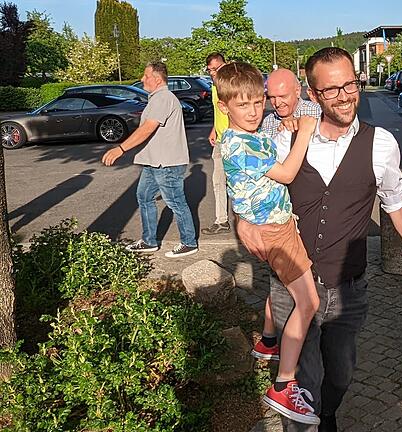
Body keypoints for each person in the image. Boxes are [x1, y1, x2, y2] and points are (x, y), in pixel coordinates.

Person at [236, 47, 402, 432]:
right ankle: (310, 419)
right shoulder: (288, 141)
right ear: (314, 95)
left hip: (348, 288)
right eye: (332, 90)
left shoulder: (380, 144)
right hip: (293, 285)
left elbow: (396, 205)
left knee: (341, 374)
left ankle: (326, 413)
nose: (345, 95)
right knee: (301, 381)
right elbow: (250, 184)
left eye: (351, 84)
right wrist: (241, 219)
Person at [215, 62, 321, 425]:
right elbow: (287, 173)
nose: (255, 111)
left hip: (277, 224)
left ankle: (268, 343)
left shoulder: (248, 134)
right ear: (224, 105)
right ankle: (284, 383)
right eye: (243, 105)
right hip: (274, 232)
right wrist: (305, 130)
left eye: (258, 102)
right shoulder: (240, 144)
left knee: (291, 295)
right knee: (308, 302)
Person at [250, 68, 322, 363]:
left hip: (304, 209)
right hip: (280, 216)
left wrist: (301, 126)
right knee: (286, 282)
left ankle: (271, 341)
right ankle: (278, 344)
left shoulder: (312, 110)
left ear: (299, 91)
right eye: (272, 97)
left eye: (283, 96)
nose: (277, 103)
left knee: (288, 282)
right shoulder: (268, 123)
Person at [102, 61, 198, 258]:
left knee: (175, 202)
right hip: (154, 162)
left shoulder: (163, 98)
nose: (142, 79)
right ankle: (149, 241)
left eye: (145, 76)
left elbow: (147, 128)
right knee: (144, 197)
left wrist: (120, 149)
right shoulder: (157, 98)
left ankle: (189, 243)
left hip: (167, 164)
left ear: (156, 78)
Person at [201, 52, 232, 235]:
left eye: (216, 68)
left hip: (233, 140)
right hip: (220, 140)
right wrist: (214, 129)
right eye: (210, 70)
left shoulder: (231, 85)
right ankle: (221, 221)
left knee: (238, 182)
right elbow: (218, 111)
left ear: (225, 65)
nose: (213, 73)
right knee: (218, 181)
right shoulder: (214, 87)